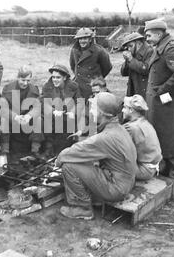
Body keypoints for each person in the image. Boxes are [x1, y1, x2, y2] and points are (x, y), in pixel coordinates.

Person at [55, 92, 137, 220]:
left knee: (68, 166)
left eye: (94, 108)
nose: (91, 111)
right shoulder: (118, 129)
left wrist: (58, 159)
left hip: (116, 189)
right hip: (125, 183)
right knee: (86, 161)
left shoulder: (106, 137)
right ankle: (97, 198)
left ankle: (82, 208)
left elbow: (69, 154)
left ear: (104, 114)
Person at [144, 19, 174, 182]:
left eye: (149, 35)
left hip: (167, 103)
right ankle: (164, 171)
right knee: (161, 134)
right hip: (159, 103)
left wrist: (162, 90)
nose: (147, 38)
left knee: (172, 136)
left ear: (158, 33)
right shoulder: (160, 47)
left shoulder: (170, 48)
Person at [0, 66, 44, 156]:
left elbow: (37, 107)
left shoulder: (34, 89)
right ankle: (5, 150)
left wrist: (29, 116)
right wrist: (15, 117)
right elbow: (3, 109)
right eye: (23, 80)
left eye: (28, 81)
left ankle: (35, 150)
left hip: (26, 121)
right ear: (18, 78)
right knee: (3, 119)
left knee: (39, 119)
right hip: (13, 122)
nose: (25, 83)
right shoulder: (7, 89)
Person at [42, 64, 83, 157]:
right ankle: (49, 150)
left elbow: (80, 102)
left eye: (58, 77)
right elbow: (43, 103)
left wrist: (73, 111)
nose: (55, 80)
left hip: (68, 118)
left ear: (64, 78)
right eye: (53, 77)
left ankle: (65, 151)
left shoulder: (73, 86)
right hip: (52, 118)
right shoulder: (47, 87)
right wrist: (53, 111)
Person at [122, 94, 162, 180]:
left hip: (144, 170)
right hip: (153, 167)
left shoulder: (131, 128)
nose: (122, 110)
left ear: (131, 110)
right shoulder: (144, 122)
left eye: (124, 108)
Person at [70, 27, 112, 100]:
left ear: (90, 39)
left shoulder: (99, 51)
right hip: (79, 85)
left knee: (94, 106)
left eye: (85, 38)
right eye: (80, 39)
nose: (82, 41)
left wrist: (97, 78)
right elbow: (73, 65)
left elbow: (107, 67)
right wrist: (80, 76)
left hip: (93, 86)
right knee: (80, 107)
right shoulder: (74, 50)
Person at [120, 32, 153, 99]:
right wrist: (127, 60)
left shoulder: (150, 51)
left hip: (145, 90)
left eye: (130, 46)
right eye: (127, 47)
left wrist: (131, 59)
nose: (129, 49)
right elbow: (124, 73)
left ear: (138, 43)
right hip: (133, 89)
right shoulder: (133, 54)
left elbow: (146, 69)